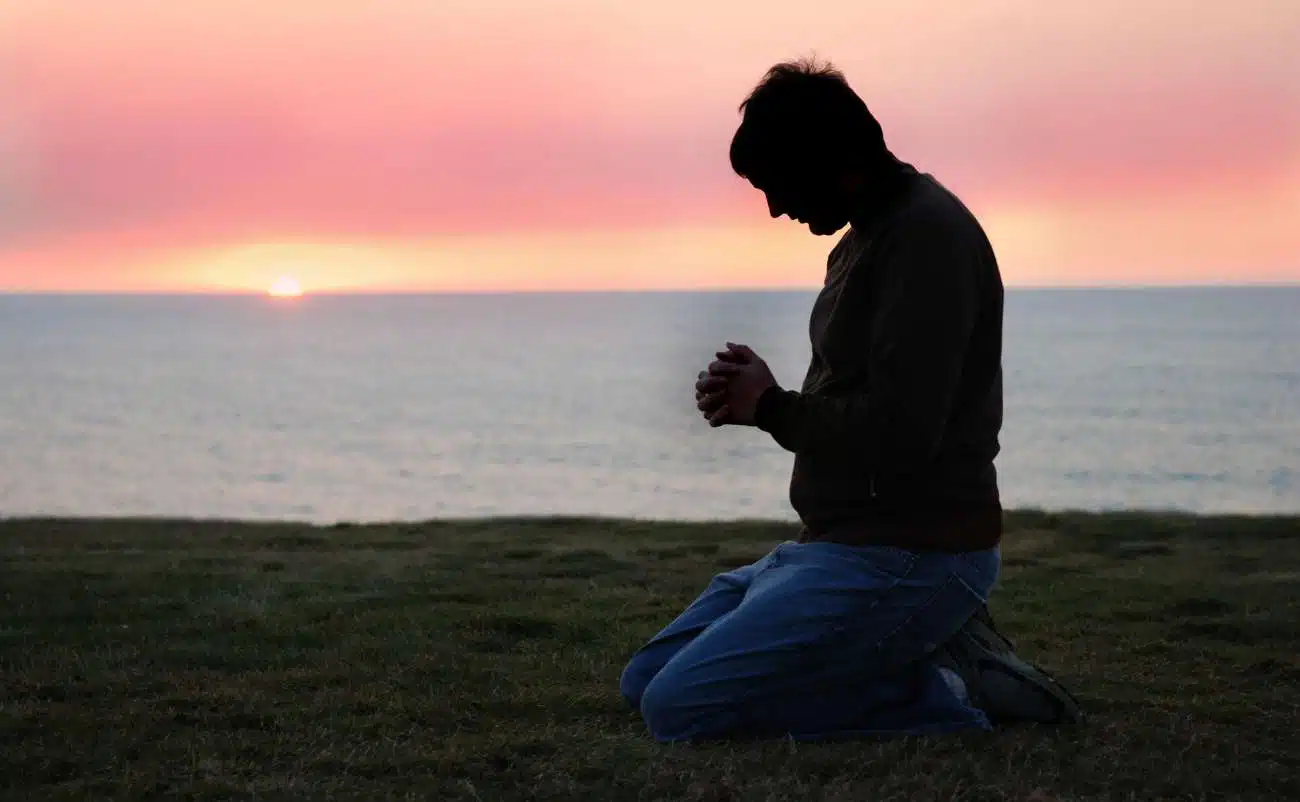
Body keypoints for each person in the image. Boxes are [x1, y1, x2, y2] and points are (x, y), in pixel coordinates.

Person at [618, 58, 1084, 742]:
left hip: (913, 554)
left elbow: (902, 433)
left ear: (831, 160)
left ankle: (944, 687)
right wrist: (763, 394)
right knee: (644, 681)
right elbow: (856, 398)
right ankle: (916, 650)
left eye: (779, 186)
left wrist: (771, 407)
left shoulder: (927, 240)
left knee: (680, 709)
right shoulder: (864, 241)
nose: (777, 208)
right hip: (836, 547)